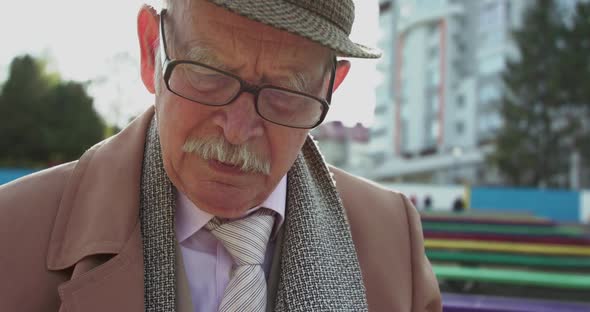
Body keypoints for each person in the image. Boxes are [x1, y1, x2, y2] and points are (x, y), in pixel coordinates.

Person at [0, 1, 441, 311]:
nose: (237, 130)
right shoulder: (12, 234)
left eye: (286, 92)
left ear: (331, 88)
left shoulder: (394, 241)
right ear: (152, 48)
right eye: (208, 75)